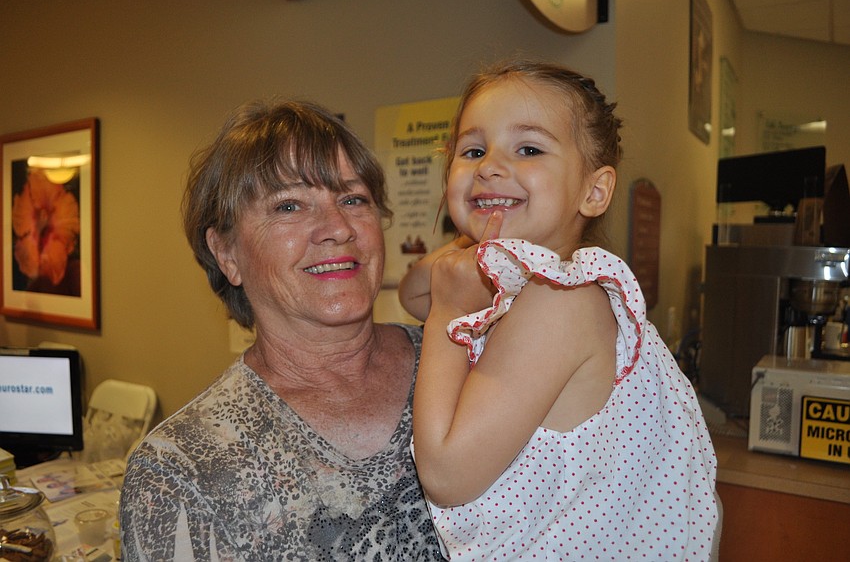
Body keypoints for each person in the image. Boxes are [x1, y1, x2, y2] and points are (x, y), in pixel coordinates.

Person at [400, 60, 719, 560]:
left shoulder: (559, 302)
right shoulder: (533, 284)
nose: (488, 166)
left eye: (528, 148)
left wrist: (448, 312)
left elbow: (445, 475)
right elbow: (414, 291)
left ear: (593, 192)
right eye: (473, 150)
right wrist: (472, 248)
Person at [119, 99, 443, 561]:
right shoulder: (182, 470)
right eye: (289, 205)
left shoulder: (464, 360)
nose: (338, 228)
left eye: (353, 199)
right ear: (226, 252)